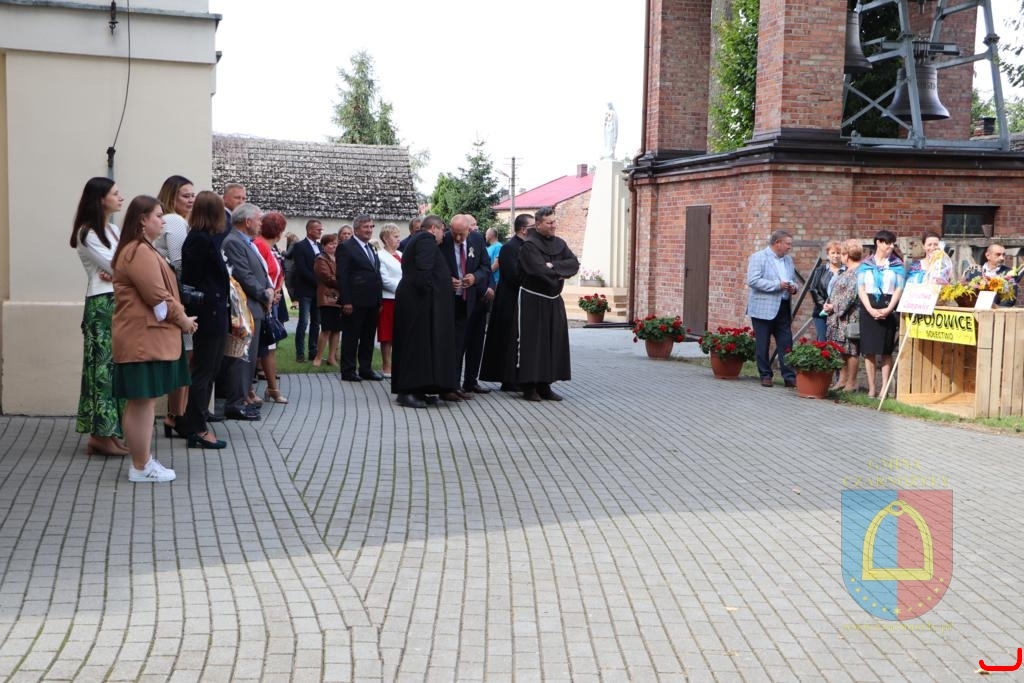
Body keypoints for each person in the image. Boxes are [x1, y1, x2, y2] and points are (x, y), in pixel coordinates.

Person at [111, 195, 197, 482]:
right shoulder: (139, 251)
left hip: (144, 339)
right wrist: (183, 320)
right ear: (142, 220)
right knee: (142, 403)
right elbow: (157, 295)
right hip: (141, 340)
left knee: (142, 402)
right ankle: (141, 466)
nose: (163, 221)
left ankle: (143, 461)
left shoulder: (141, 249)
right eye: (158, 216)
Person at [70, 177, 129, 456]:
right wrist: (119, 273)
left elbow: (124, 264)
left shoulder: (113, 230)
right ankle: (100, 435)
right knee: (102, 369)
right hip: (102, 303)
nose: (121, 197)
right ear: (100, 199)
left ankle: (111, 433)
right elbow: (118, 265)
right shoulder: (87, 232)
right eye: (115, 193)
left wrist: (119, 273)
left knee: (115, 367)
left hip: (117, 301)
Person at [179, 191, 230, 449]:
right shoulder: (199, 239)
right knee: (204, 370)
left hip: (214, 311)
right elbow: (193, 279)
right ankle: (197, 428)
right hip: (209, 313)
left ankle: (194, 423)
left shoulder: (204, 237)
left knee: (209, 369)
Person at [391, 215, 457, 408]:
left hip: (417, 301)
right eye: (443, 230)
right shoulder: (426, 240)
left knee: (421, 348)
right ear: (434, 228)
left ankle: (419, 389)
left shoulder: (418, 239)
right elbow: (423, 272)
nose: (444, 235)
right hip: (418, 302)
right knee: (414, 346)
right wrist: (435, 292)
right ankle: (407, 391)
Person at [516, 206, 579, 401]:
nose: (553, 226)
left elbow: (574, 264)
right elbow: (537, 271)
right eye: (549, 222)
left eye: (554, 222)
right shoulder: (529, 245)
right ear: (538, 224)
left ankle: (545, 385)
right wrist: (559, 274)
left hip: (553, 300)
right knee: (534, 343)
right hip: (533, 300)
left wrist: (553, 266)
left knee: (552, 341)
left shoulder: (560, 243)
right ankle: (529, 387)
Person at [221, 203, 275, 420]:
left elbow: (259, 272)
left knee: (249, 359)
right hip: (245, 309)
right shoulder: (233, 242)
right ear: (247, 221)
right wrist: (264, 294)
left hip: (254, 308)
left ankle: (241, 400)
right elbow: (244, 275)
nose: (261, 223)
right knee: (242, 359)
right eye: (259, 219)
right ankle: (235, 403)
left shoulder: (246, 241)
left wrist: (269, 289)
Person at [153, 175, 195, 437]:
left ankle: (176, 414)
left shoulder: (168, 220)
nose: (191, 200)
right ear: (172, 196)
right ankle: (177, 415)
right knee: (185, 357)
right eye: (185, 195)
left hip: (169, 295)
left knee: (184, 356)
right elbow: (180, 264)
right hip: (176, 296)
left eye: (192, 195)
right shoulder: (175, 221)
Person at [481, 213, 533, 391]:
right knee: (508, 339)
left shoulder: (529, 246)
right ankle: (509, 379)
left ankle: (518, 376)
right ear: (524, 229)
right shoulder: (510, 248)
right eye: (533, 227)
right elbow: (513, 275)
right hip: (509, 299)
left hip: (522, 299)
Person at [442, 214, 493, 397]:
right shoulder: (443, 241)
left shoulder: (477, 239)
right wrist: (447, 279)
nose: (457, 238)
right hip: (453, 301)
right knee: (457, 344)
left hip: (474, 299)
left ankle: (471, 381)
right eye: (454, 233)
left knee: (476, 343)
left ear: (469, 230)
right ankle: (453, 385)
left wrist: (475, 277)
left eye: (461, 234)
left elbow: (485, 266)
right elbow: (435, 267)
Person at [746, 230, 798, 388]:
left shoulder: (788, 260)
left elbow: (793, 280)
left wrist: (793, 288)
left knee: (786, 342)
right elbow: (753, 281)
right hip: (763, 307)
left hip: (783, 306)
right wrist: (777, 285)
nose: (790, 247)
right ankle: (765, 375)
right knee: (763, 343)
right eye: (788, 244)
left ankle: (789, 376)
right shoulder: (759, 257)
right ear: (777, 243)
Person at [857, 229, 906, 398]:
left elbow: (899, 288)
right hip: (868, 307)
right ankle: (871, 388)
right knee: (869, 350)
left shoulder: (897, 265)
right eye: (888, 243)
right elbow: (861, 288)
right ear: (878, 243)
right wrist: (870, 309)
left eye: (893, 244)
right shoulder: (866, 264)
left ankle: (884, 387)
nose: (891, 246)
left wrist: (889, 308)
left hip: (888, 306)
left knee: (885, 350)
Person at [336, 215, 384, 381]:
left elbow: (376, 274)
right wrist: (347, 301)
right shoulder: (346, 247)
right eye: (366, 227)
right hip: (355, 302)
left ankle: (366, 369)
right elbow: (342, 276)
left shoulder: (371, 247)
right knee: (351, 337)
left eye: (371, 227)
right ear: (356, 229)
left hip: (372, 301)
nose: (369, 230)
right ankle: (348, 370)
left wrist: (379, 300)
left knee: (368, 337)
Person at [254, 211, 288, 404]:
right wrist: (270, 293)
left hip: (270, 301)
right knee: (264, 347)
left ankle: (272, 388)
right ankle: (270, 389)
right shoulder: (261, 245)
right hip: (264, 302)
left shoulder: (268, 247)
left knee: (269, 347)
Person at [823, 239, 863, 392]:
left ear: (847, 255)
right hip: (837, 317)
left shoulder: (857, 272)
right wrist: (828, 304)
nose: (840, 257)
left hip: (849, 316)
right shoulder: (847, 270)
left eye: (842, 253)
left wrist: (834, 307)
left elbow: (851, 295)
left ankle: (851, 382)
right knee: (840, 348)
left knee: (851, 350)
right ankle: (842, 379)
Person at [290, 219, 322, 362]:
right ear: (309, 230)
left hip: (318, 291)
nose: (320, 231)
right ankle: (300, 353)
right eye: (317, 229)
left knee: (316, 322)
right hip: (305, 290)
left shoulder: (320, 246)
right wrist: (318, 282)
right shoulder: (299, 246)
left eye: (321, 229)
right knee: (303, 322)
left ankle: (313, 351)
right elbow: (302, 269)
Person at [376, 223, 403, 378]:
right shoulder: (380, 256)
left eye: (399, 236)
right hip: (388, 298)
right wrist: (403, 289)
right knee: (387, 334)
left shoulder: (401, 254)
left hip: (402, 300)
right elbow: (384, 279)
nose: (399, 239)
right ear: (386, 239)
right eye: (395, 236)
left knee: (400, 332)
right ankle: (386, 365)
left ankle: (398, 364)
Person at [313, 233, 342, 367]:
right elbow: (327, 278)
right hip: (327, 298)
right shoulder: (320, 259)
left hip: (339, 298)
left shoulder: (339, 258)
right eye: (331, 244)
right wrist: (345, 282)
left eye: (335, 243)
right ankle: (318, 357)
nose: (334, 246)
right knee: (326, 329)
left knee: (337, 329)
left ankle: (331, 357)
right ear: (323, 245)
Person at [808, 240, 843, 341]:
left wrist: (835, 307)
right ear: (828, 255)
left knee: (837, 342)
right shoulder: (820, 269)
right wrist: (824, 305)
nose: (835, 256)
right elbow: (813, 289)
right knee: (822, 340)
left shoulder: (847, 271)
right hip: (821, 312)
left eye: (838, 253)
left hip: (840, 312)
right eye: (833, 253)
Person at [963, 242, 1016, 307]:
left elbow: (1011, 298)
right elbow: (967, 294)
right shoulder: (974, 272)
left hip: (998, 311)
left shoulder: (1009, 273)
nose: (1002, 258)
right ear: (988, 256)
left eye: (1003, 255)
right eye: (998, 254)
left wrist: (997, 308)